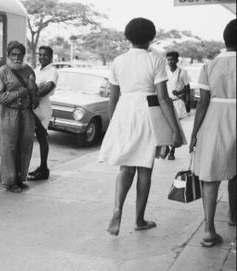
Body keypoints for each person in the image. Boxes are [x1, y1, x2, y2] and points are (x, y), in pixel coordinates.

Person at [98, 17, 184, 236]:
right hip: (147, 112)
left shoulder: (118, 61)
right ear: (151, 37)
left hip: (124, 112)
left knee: (126, 167)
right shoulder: (155, 59)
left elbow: (112, 98)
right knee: (145, 168)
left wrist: (113, 125)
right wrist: (174, 130)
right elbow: (163, 98)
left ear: (128, 36)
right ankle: (139, 220)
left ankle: (117, 210)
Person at [189, 19, 236, 247]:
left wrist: (195, 133)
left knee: (211, 176)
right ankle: (234, 215)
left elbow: (202, 103)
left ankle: (208, 230)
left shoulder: (209, 66)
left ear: (225, 40)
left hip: (215, 122)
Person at [0, 41, 38, 193]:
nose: (17, 57)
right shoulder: (2, 72)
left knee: (25, 147)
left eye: (20, 54)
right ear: (8, 55)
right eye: (14, 54)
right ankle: (10, 182)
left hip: (26, 113)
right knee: (9, 148)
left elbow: (35, 97)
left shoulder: (29, 70)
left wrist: (33, 90)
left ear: (24, 55)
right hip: (8, 114)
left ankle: (20, 178)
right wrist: (20, 93)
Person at [28, 46, 59, 181]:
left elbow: (48, 87)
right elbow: (31, 85)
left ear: (51, 57)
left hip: (43, 108)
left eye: (45, 55)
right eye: (40, 55)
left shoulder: (52, 71)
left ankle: (44, 169)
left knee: (42, 137)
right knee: (38, 137)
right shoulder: (36, 70)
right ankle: (41, 168)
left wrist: (34, 95)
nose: (42, 57)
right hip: (34, 106)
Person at [164, 50, 191, 160]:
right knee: (165, 126)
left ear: (177, 60)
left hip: (177, 103)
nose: (170, 61)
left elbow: (188, 89)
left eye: (172, 59)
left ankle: (172, 151)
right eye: (168, 59)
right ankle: (165, 146)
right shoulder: (164, 71)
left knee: (175, 127)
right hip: (166, 103)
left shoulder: (182, 73)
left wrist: (179, 93)